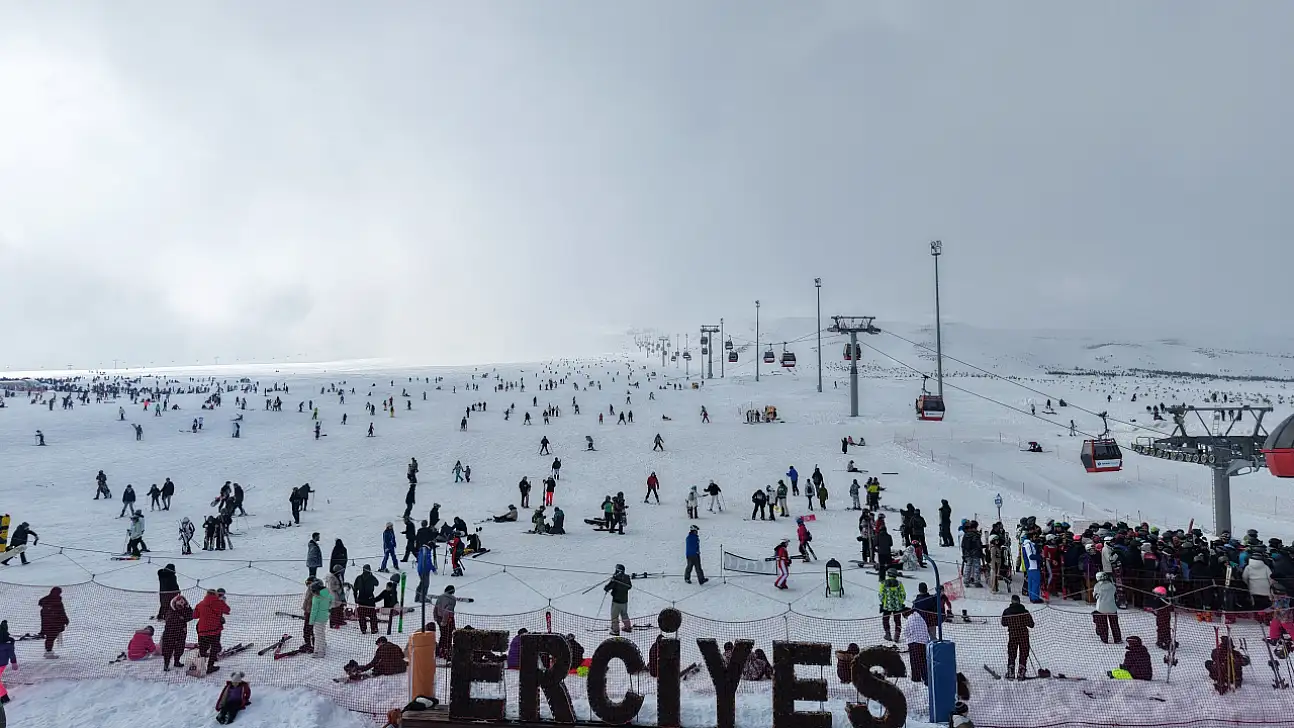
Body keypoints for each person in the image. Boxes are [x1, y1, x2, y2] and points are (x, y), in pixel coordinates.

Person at [194, 588, 230, 674]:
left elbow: (195, 616)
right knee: (214, 648)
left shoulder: (200, 604)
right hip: (215, 630)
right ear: (216, 594)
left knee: (202, 649)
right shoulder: (219, 603)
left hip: (202, 630)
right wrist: (222, 602)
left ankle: (200, 668)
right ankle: (210, 666)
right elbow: (227, 610)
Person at [1001, 595, 1034, 680]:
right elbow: (1031, 624)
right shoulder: (1024, 611)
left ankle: (1011, 672)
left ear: (1012, 601)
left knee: (1012, 653)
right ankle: (1021, 673)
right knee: (1023, 653)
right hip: (1023, 636)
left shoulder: (1007, 611)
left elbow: (1003, 623)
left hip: (1013, 635)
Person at [160, 594, 193, 672]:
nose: (182, 603)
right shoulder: (170, 611)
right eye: (180, 602)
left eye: (183, 602)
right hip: (170, 634)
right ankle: (166, 664)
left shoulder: (185, 609)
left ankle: (176, 662)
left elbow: (190, 616)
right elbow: (170, 620)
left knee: (180, 648)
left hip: (181, 633)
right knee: (168, 649)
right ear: (175, 602)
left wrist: (188, 609)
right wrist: (181, 618)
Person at [38, 586, 69, 658]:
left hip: (50, 623)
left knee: (50, 637)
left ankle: (48, 651)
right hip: (53, 624)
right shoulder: (55, 602)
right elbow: (61, 612)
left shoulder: (47, 602)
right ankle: (48, 652)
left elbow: (61, 612)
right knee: (51, 637)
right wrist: (64, 620)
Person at [1092, 572, 1122, 644]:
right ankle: (1117, 639)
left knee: (1103, 624)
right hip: (1112, 607)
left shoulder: (1097, 586)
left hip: (1101, 608)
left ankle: (1104, 639)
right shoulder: (1112, 585)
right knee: (1114, 624)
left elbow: (1095, 596)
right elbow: (1115, 593)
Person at [605, 565, 634, 635]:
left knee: (614, 616)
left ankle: (615, 630)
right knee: (624, 614)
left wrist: (607, 587)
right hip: (624, 601)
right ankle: (628, 627)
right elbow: (629, 586)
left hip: (616, 601)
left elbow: (609, 587)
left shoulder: (615, 578)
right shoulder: (627, 577)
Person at [879, 569, 906, 642]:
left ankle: (888, 634)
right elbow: (903, 595)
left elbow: (881, 595)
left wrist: (883, 602)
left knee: (885, 620)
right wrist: (900, 602)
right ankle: (897, 635)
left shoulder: (883, 583)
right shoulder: (899, 584)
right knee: (897, 621)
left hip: (887, 606)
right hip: (897, 606)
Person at [905, 608, 930, 683]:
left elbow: (906, 632)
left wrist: (908, 637)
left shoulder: (910, 619)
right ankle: (926, 677)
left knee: (914, 661)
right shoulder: (921, 618)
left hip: (914, 642)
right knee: (923, 661)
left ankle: (916, 677)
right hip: (923, 643)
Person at [354, 565, 380, 635]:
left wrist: (355, 598)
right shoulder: (371, 578)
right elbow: (377, 583)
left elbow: (355, 589)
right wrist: (372, 575)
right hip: (370, 600)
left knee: (361, 616)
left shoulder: (358, 578)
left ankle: (363, 629)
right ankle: (374, 629)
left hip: (361, 600)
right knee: (372, 615)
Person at [309, 580, 332, 658]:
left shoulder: (316, 598)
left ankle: (319, 651)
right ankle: (321, 648)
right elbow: (331, 602)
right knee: (322, 633)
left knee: (318, 635)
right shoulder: (327, 593)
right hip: (325, 616)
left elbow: (314, 610)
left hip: (318, 618)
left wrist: (311, 621)